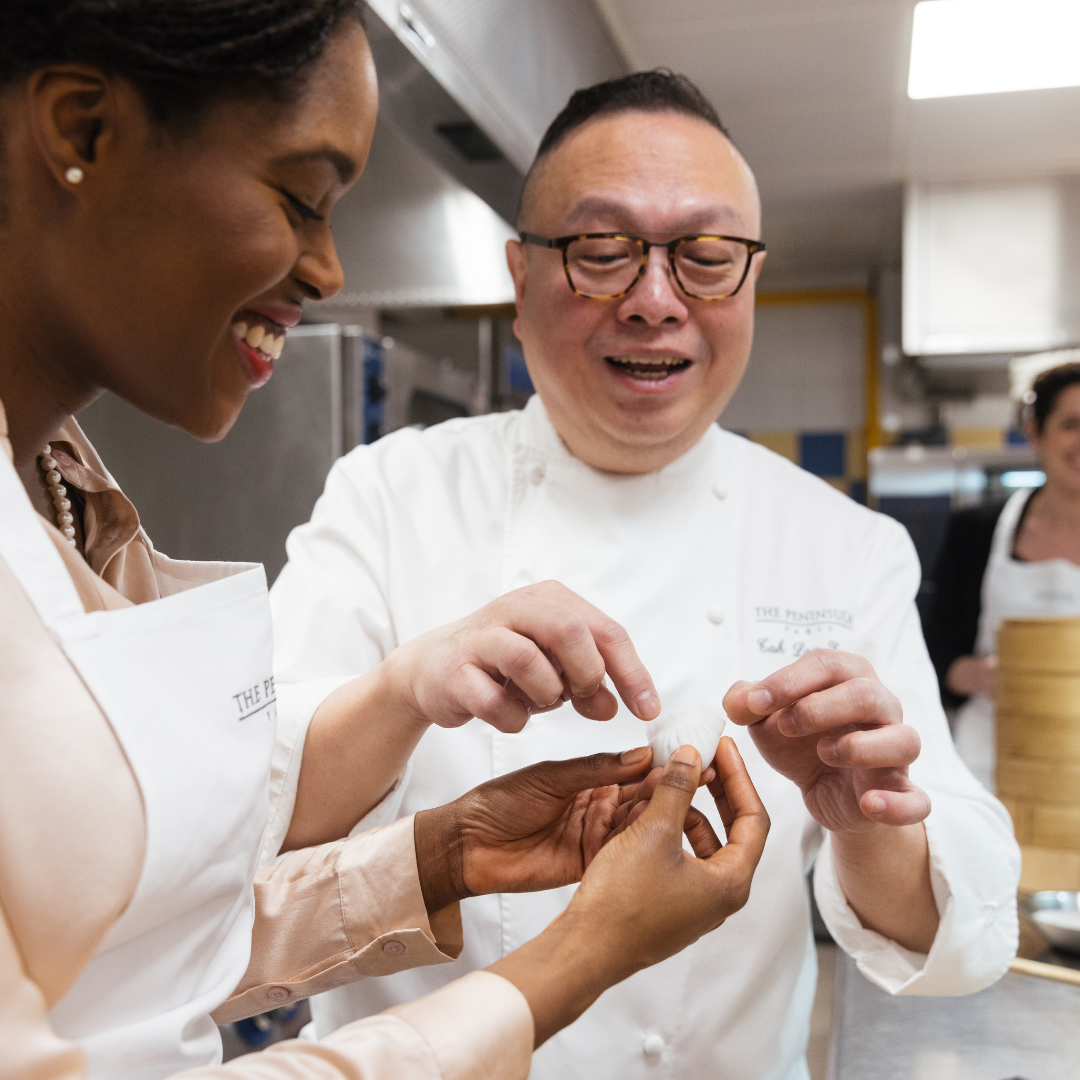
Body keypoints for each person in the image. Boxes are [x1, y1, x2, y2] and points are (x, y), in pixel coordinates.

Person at [0, 6, 771, 1078]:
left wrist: (442, 855)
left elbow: (134, 947)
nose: (328, 270)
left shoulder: (64, 486)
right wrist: (571, 962)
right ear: (83, 133)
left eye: (702, 256)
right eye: (303, 198)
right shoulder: (389, 486)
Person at [271, 71, 1023, 1080]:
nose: (656, 302)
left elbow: (964, 937)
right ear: (520, 276)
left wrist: (864, 823)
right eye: (601, 252)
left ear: (751, 278)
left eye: (706, 257)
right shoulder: (389, 495)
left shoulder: (843, 545)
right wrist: (406, 689)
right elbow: (239, 827)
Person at [926, 362, 1080, 789]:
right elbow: (932, 651)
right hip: (988, 764)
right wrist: (976, 675)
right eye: (1071, 424)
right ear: (1035, 432)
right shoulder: (977, 531)